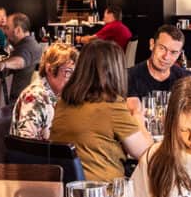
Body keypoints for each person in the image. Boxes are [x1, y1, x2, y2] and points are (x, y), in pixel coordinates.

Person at [50, 40, 152, 182]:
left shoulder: (63, 102)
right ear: (116, 70)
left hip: (68, 190)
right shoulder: (111, 105)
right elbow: (145, 152)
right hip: (104, 193)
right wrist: (137, 114)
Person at [11, 41, 78, 140]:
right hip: (37, 154)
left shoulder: (57, 94)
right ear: (50, 69)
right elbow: (26, 143)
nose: (72, 79)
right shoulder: (35, 97)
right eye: (68, 72)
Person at [0, 12, 43, 104]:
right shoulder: (32, 43)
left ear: (18, 30)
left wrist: (3, 64)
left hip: (15, 104)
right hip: (23, 100)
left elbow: (20, 61)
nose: (5, 32)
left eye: (7, 28)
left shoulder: (26, 46)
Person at [125, 25, 191, 100]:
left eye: (173, 52)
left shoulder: (186, 80)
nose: (166, 57)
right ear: (152, 44)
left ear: (179, 54)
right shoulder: (129, 77)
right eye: (162, 48)